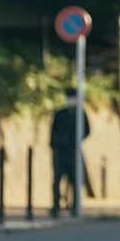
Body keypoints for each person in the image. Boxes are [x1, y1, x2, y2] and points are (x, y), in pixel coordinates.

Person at [50, 87, 92, 217]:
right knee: (57, 179)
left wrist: (76, 139)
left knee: (74, 179)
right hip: (60, 151)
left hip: (73, 150)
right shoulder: (60, 114)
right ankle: (56, 206)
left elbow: (87, 131)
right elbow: (53, 132)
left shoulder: (80, 114)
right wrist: (54, 145)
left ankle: (74, 206)